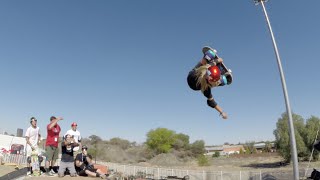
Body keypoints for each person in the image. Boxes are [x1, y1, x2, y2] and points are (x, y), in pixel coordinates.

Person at [187, 46, 230, 119]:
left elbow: (209, 65)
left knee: (207, 61)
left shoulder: (205, 69)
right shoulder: (206, 89)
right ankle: (223, 78)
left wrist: (217, 61)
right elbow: (211, 102)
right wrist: (222, 112)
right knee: (204, 64)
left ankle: (210, 57)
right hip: (193, 78)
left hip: (198, 74)